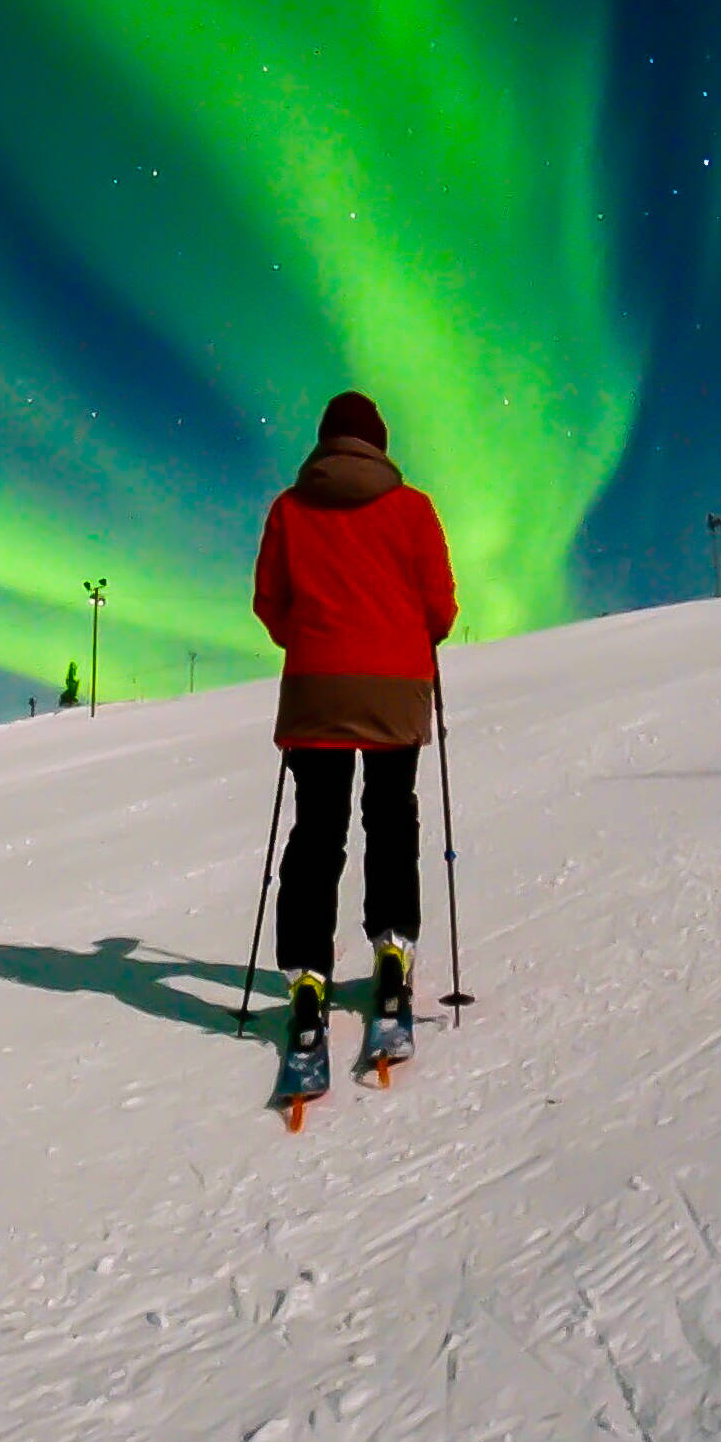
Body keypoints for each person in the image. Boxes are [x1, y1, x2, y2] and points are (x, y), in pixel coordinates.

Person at [251, 391, 457, 1064]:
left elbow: (269, 604)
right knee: (390, 817)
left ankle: (306, 977)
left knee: (316, 830)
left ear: (323, 442)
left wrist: (310, 641)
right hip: (395, 686)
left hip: (316, 686)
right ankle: (392, 952)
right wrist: (405, 637)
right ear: (378, 443)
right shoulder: (412, 508)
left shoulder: (288, 508)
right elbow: (440, 608)